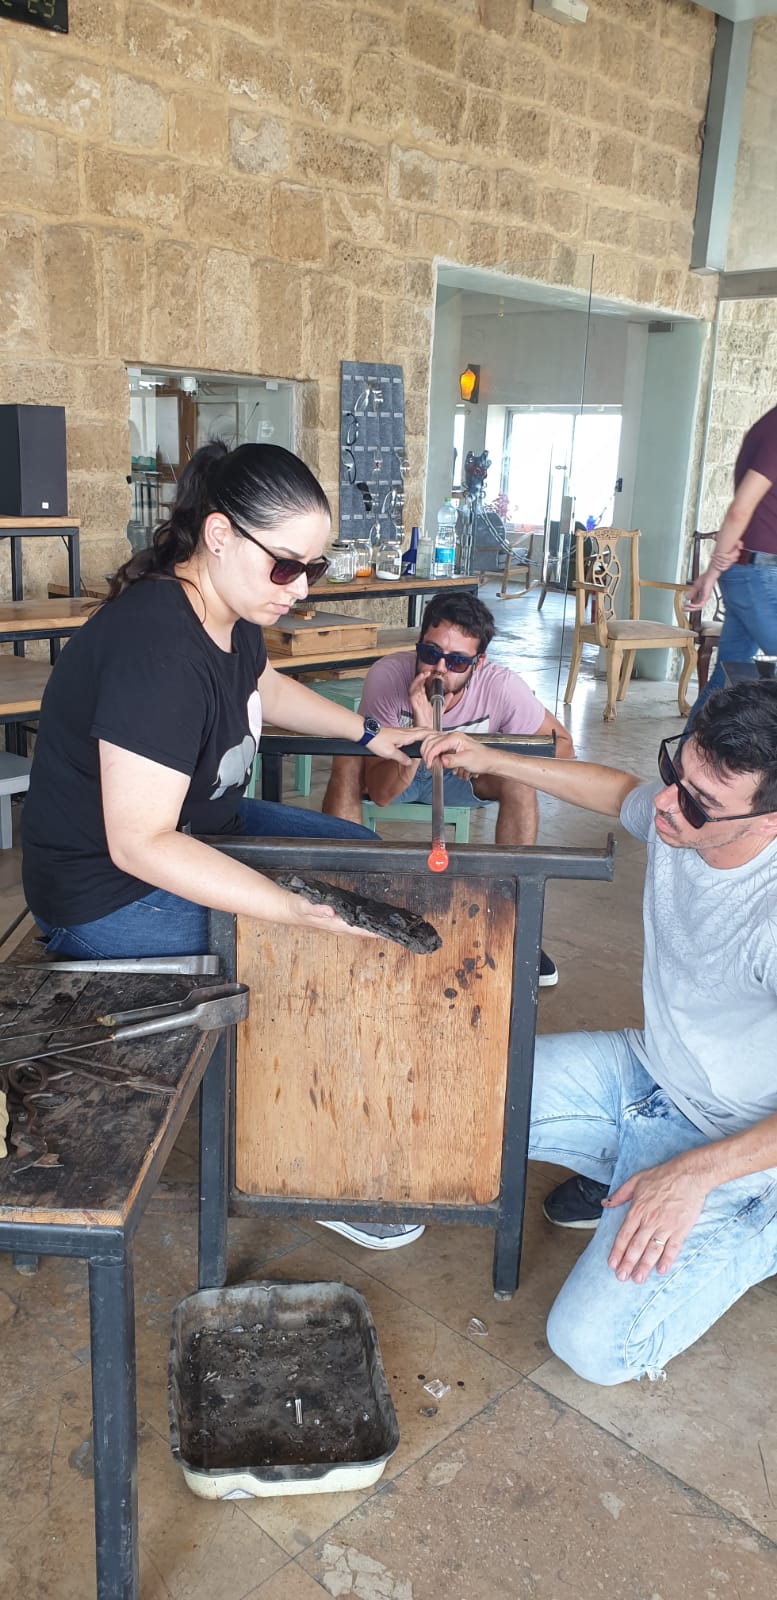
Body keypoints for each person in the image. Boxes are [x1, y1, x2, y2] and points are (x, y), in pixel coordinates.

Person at [22, 440, 422, 1251]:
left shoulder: (226, 612)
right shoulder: (155, 646)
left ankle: (349, 1100)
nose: (301, 588)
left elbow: (260, 685)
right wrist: (288, 910)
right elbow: (140, 845)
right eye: (286, 566)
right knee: (309, 947)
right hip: (104, 894)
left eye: (313, 568)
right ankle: (300, 1164)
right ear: (218, 535)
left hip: (202, 829)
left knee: (360, 855)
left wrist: (370, 734)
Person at [420, 681, 777, 1385]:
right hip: (648, 1076)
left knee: (591, 1347)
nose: (667, 803)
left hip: (742, 1146)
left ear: (767, 822)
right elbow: (619, 793)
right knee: (445, 1096)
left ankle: (753, 1224)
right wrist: (494, 758)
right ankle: (630, 1169)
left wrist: (692, 1175)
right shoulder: (681, 813)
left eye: (699, 802)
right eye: (674, 770)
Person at [323, 591, 573, 988]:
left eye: (457, 661)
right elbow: (381, 794)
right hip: (399, 774)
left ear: (478, 663)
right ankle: (340, 903)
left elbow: (563, 749)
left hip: (464, 780)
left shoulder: (502, 687)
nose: (439, 669)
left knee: (520, 779)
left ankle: (518, 922)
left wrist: (487, 758)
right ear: (417, 645)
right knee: (346, 755)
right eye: (430, 653)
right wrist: (420, 736)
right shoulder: (388, 676)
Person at [685, 401, 777, 722]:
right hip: (757, 573)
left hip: (752, 573)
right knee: (729, 680)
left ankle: (688, 752)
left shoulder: (767, 425)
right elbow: (740, 509)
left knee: (727, 680)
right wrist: (712, 572)